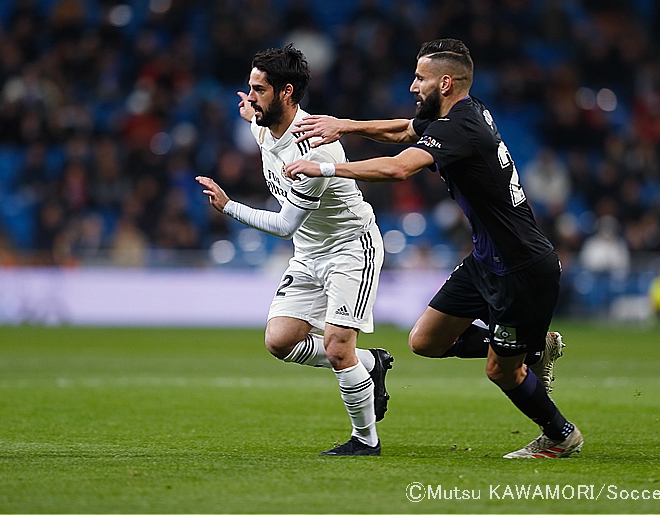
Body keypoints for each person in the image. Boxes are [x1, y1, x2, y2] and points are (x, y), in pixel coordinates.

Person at [286, 38, 582, 459]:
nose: (412, 86)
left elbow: (398, 167)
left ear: (445, 83)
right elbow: (405, 129)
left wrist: (326, 167)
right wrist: (344, 125)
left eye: (420, 78)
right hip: (485, 261)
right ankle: (534, 348)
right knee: (425, 341)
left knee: (502, 370)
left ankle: (560, 434)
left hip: (521, 268)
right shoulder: (463, 111)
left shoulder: (460, 126)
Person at [197, 45, 391, 456]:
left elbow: (285, 225)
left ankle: (365, 441)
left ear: (287, 92)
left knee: (338, 348)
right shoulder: (264, 124)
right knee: (280, 341)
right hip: (309, 253)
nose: (251, 97)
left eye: (259, 89)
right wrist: (250, 109)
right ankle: (371, 365)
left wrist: (229, 207)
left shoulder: (313, 148)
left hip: (349, 248)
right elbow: (251, 118)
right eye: (249, 88)